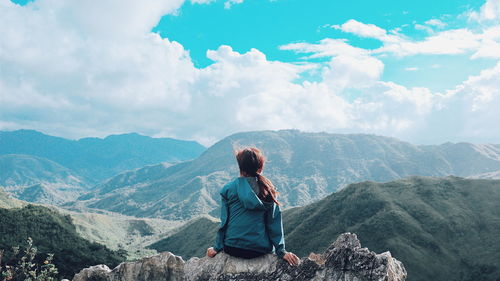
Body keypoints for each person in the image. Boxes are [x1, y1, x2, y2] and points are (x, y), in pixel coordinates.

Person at [206, 147, 300, 266]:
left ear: (240, 166)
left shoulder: (228, 189)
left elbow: (224, 222)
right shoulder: (268, 190)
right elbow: (274, 223)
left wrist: (216, 248)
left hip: (232, 247)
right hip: (259, 250)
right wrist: (281, 251)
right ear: (260, 167)